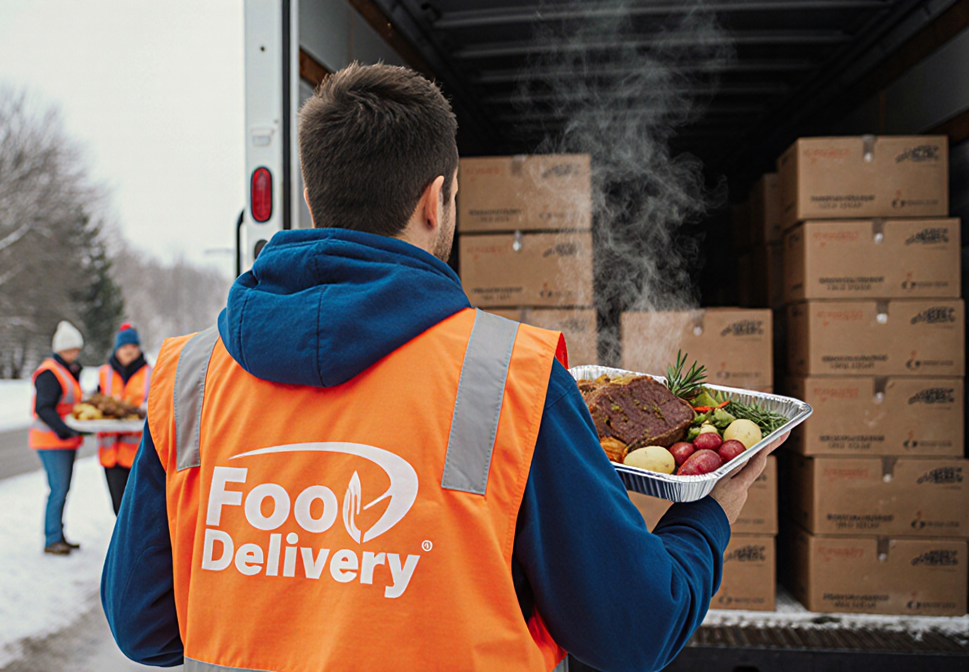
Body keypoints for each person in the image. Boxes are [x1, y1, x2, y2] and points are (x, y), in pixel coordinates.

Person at [102, 63, 785, 671]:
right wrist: (711, 515)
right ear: (436, 201)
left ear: (314, 201)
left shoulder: (188, 376)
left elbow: (144, 630)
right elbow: (633, 630)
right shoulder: (509, 376)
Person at [30, 320, 85, 556]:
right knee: (58, 489)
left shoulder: (66, 371)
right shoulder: (50, 373)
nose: (75, 353)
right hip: (51, 441)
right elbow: (44, 408)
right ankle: (52, 539)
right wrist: (63, 429)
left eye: (77, 349)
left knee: (63, 489)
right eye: (71, 349)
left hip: (65, 440)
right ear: (60, 349)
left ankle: (59, 535)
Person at [95, 322, 151, 514]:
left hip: (139, 453)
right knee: (118, 507)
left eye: (133, 347)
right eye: (125, 347)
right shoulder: (104, 373)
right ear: (117, 349)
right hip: (110, 452)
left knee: (138, 508)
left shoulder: (150, 373)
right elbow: (96, 403)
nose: (130, 351)